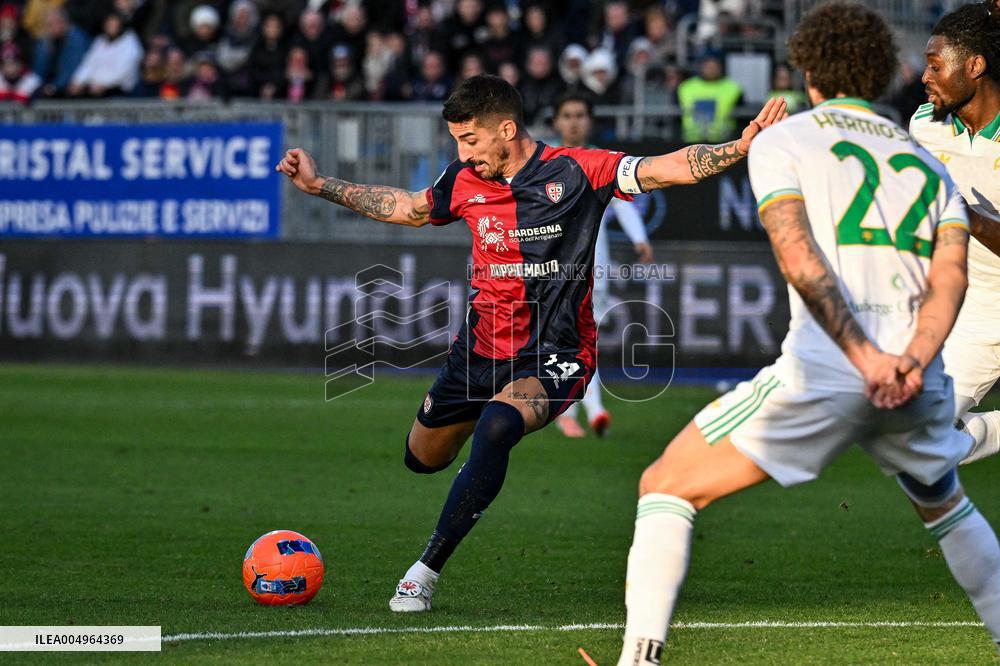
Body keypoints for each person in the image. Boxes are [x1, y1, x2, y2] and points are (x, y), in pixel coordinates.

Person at [276, 74, 786, 614]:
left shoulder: (576, 171)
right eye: (455, 140)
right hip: (477, 352)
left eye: (469, 139)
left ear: (507, 128)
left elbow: (667, 168)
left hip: (557, 354)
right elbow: (409, 207)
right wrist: (320, 185)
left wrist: (739, 146)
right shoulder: (464, 179)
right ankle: (476, 439)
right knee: (421, 460)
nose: (461, 152)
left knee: (498, 426)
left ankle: (423, 572)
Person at [610, 4, 1000, 664]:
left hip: (833, 368)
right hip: (914, 371)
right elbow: (951, 280)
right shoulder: (922, 155)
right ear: (881, 71)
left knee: (666, 486)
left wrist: (864, 357)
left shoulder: (786, 139)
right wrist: (911, 361)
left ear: (809, 71)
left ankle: (638, 659)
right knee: (944, 501)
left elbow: (798, 254)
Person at [910, 1, 1000, 464]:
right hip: (979, 313)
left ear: (975, 65)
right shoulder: (924, 127)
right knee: (924, 441)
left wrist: (971, 218)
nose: (924, 76)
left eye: (934, 64)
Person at [550, 93, 654, 439]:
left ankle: (573, 406)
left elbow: (623, 203)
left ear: (589, 121)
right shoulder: (546, 161)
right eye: (567, 114)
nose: (574, 121)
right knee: (566, 335)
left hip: (596, 260)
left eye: (580, 114)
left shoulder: (601, 160)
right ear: (557, 122)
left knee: (583, 334)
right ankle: (584, 406)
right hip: (553, 262)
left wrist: (639, 238)